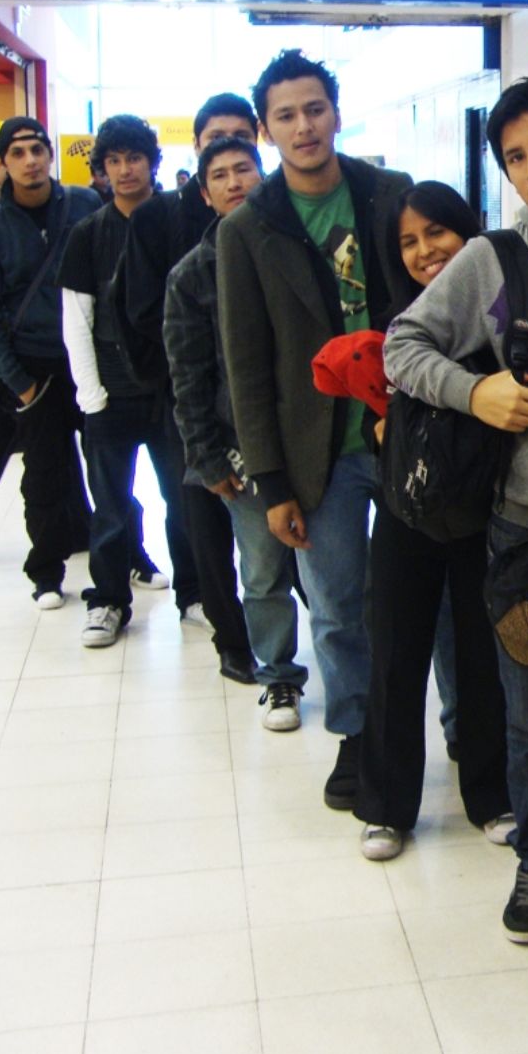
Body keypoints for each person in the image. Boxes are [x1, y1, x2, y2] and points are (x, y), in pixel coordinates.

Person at [383, 78, 528, 943]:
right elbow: (404, 345)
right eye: (515, 157)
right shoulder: (493, 259)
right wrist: (476, 392)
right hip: (522, 518)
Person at [217, 50, 410, 809]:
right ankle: (358, 737)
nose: (304, 126)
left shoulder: (387, 195)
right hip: (315, 452)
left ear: (336, 110)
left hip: (404, 434)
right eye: (287, 116)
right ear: (266, 129)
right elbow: (247, 364)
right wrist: (270, 482)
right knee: (334, 605)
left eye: (315, 109)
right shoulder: (248, 229)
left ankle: (466, 734)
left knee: (427, 597)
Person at [353, 182, 512, 861]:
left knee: (483, 651)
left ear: (467, 232)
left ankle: (492, 795)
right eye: (409, 242)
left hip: (488, 511)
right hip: (408, 511)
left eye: (437, 234)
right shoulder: (394, 322)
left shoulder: (505, 313)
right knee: (395, 649)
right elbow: (364, 412)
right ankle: (386, 807)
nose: (425, 252)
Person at [163, 135, 307, 728]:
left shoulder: (294, 248)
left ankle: (359, 667)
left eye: (243, 169)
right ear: (204, 192)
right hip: (241, 448)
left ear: (262, 174)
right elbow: (188, 376)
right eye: (219, 175)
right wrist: (205, 454)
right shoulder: (192, 275)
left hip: (312, 435)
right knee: (264, 567)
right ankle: (277, 676)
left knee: (336, 567)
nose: (233, 182)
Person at [124, 92, 262, 682]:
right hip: (186, 401)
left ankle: (276, 640)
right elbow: (136, 311)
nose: (230, 168)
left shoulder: (278, 232)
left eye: (240, 145)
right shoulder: (161, 219)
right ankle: (229, 638)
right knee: (203, 524)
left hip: (262, 412)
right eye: (214, 143)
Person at [59, 114, 199, 649]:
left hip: (170, 390)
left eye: (133, 159)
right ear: (101, 168)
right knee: (111, 506)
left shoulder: (177, 221)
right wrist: (90, 394)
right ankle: (110, 601)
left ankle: (195, 594)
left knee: (185, 500)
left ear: (152, 162)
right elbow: (77, 320)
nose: (124, 170)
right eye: (113, 161)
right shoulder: (87, 234)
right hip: (111, 393)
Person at [0, 116, 100, 608]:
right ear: (3, 164)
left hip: (90, 362)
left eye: (37, 149)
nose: (30, 160)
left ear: (51, 155)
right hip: (34, 368)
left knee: (108, 464)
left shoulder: (83, 204)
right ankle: (45, 573)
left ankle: (129, 555)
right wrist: (19, 384)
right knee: (44, 475)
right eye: (17, 153)